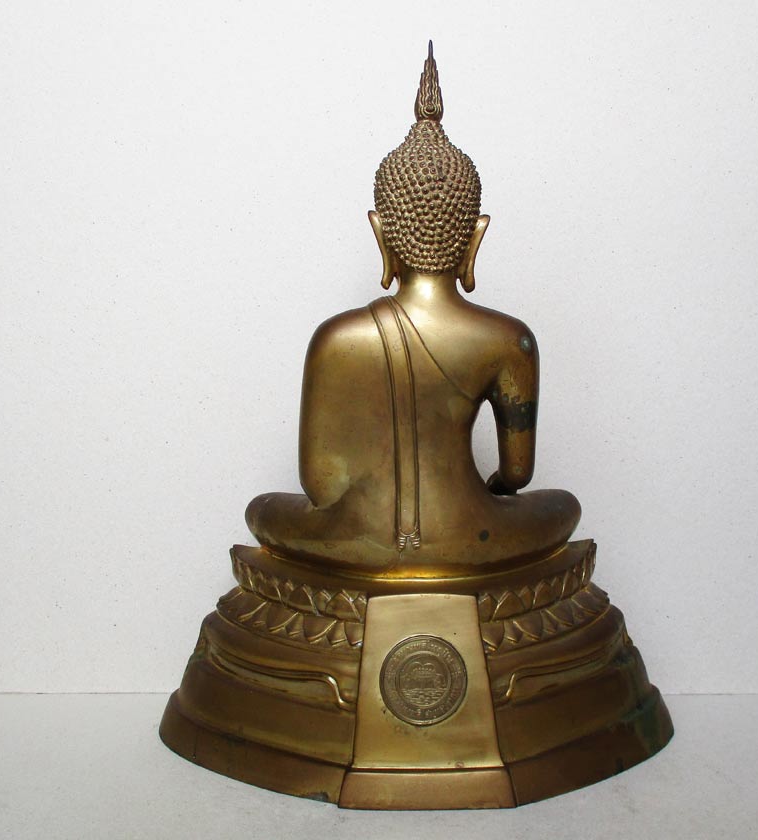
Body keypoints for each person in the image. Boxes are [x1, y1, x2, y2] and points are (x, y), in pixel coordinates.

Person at [246, 43, 580, 574]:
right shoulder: (510, 341)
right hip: (473, 534)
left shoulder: (335, 339)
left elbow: (320, 485)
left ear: (381, 234)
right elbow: (517, 476)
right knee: (563, 508)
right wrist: (487, 498)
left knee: (263, 510)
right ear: (476, 237)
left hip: (359, 541)